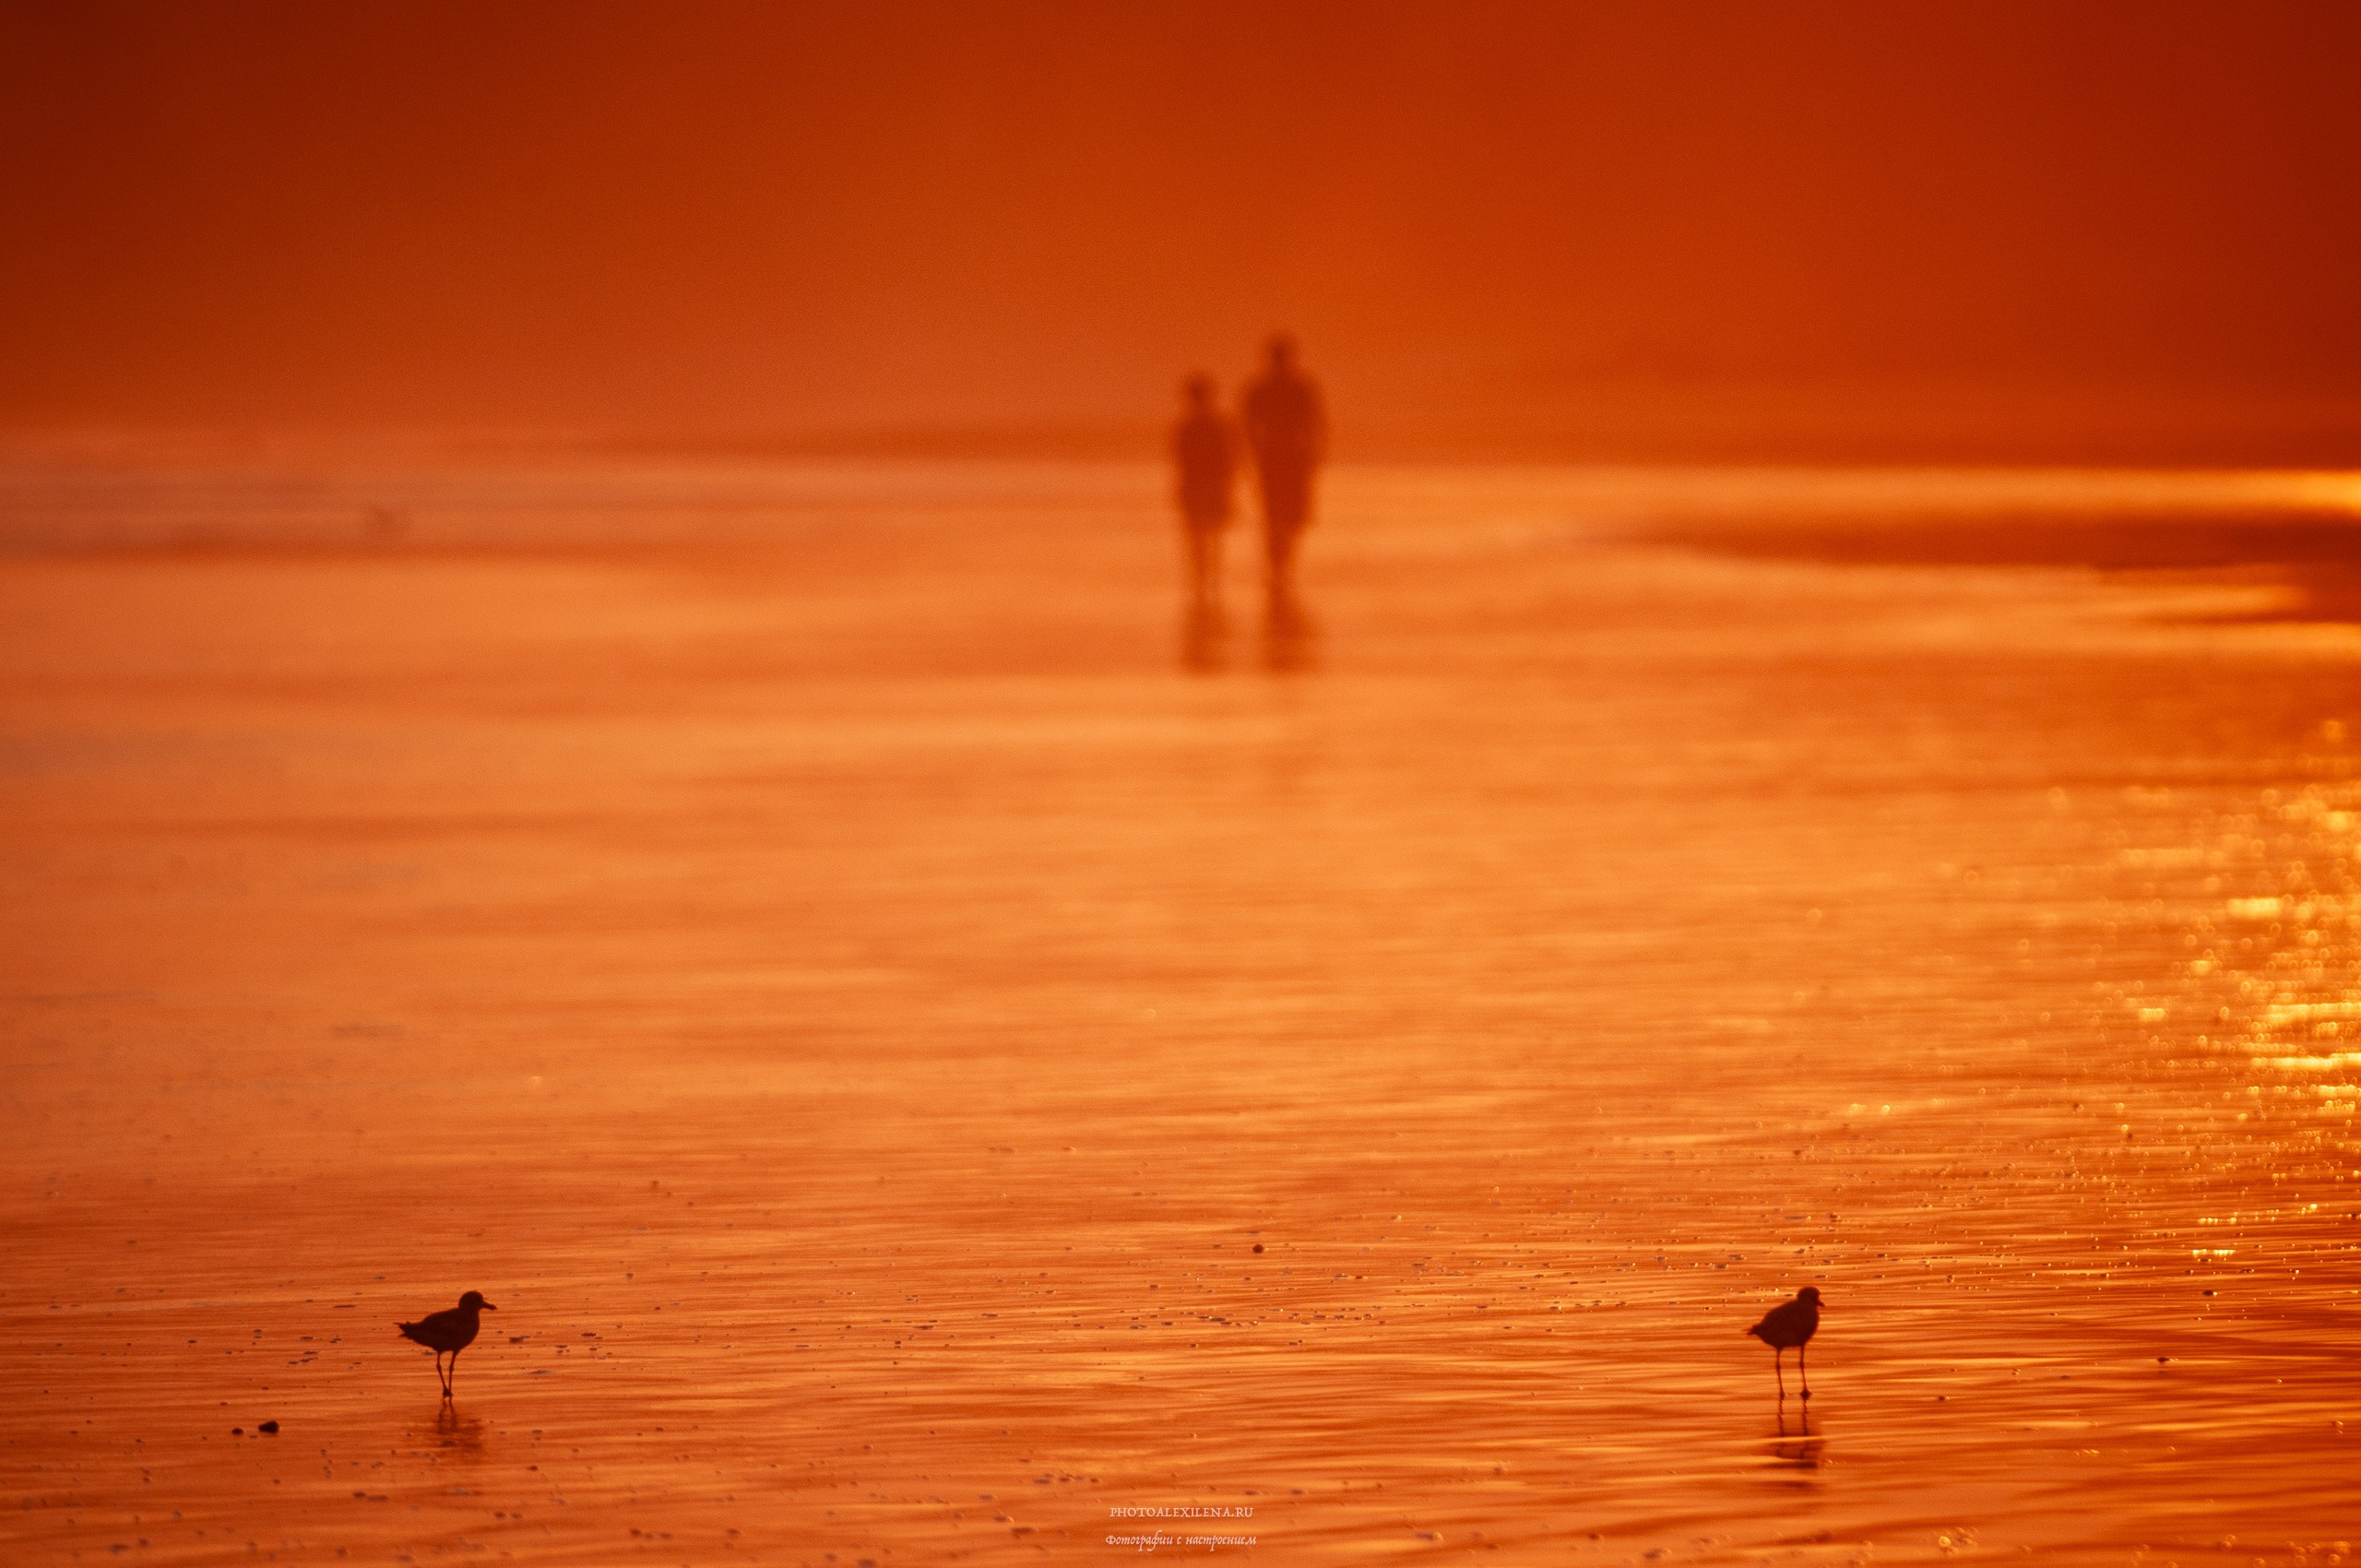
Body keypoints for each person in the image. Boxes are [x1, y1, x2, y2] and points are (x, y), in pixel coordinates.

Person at [1240, 333, 1327, 591]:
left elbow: (1316, 424)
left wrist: (1313, 452)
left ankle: (1279, 566)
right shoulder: (1271, 388)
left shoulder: (1290, 388)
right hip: (1283, 460)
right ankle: (1280, 567)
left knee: (1284, 517)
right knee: (1282, 516)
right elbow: (1247, 426)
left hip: (1284, 459)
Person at [1169, 374, 1237, 606]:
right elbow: (1230, 460)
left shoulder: (1189, 426)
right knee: (1208, 536)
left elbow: (1179, 460)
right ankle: (1208, 580)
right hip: (1207, 486)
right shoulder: (1211, 425)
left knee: (1200, 535)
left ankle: (1204, 581)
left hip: (1201, 486)